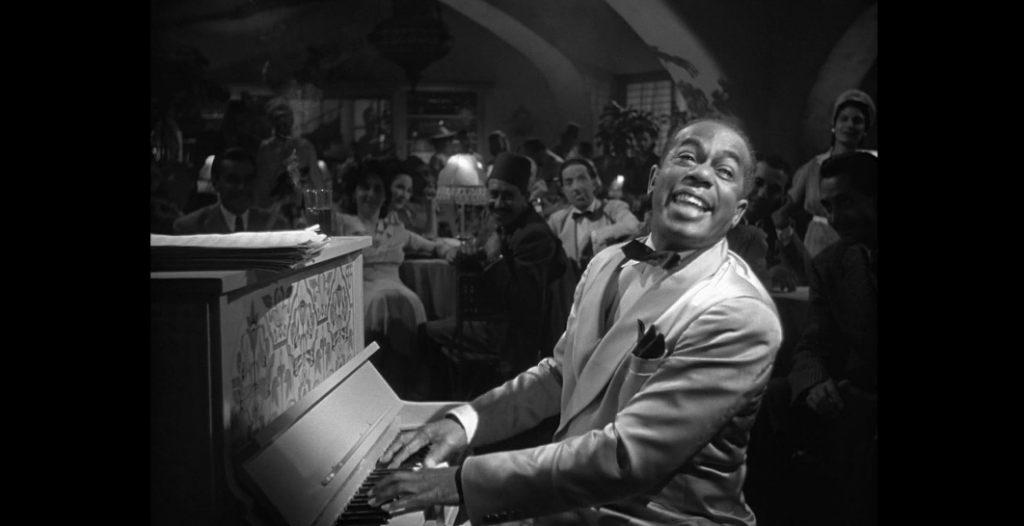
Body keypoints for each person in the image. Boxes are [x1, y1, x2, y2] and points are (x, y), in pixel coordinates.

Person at [370, 120, 782, 526]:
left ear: (738, 213)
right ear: (656, 178)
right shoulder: (608, 262)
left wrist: (463, 483)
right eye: (688, 157)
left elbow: (625, 457)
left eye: (724, 171)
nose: (701, 174)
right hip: (567, 506)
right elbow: (558, 375)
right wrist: (464, 425)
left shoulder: (739, 314)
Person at [785, 151, 877, 526]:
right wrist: (815, 382)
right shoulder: (832, 264)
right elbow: (813, 343)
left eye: (847, 202)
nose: (836, 218)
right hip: (848, 397)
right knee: (765, 404)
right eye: (829, 205)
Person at [423, 152, 572, 381]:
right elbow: (481, 250)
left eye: (508, 196)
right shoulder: (507, 224)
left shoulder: (533, 236)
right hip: (498, 324)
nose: (499, 204)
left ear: (524, 197)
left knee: (425, 333)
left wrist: (493, 257)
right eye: (494, 195)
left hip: (515, 336)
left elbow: (523, 305)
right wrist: (462, 253)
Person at [335, 163, 458, 400]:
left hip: (396, 287)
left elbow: (430, 244)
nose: (371, 194)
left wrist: (446, 251)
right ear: (354, 192)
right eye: (365, 187)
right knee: (385, 301)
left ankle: (405, 392)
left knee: (406, 300)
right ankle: (373, 393)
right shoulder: (342, 224)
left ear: (385, 196)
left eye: (377, 189)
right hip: (363, 288)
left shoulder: (394, 228)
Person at [774, 89, 876, 257]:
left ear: (865, 128)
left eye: (857, 121)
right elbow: (782, 213)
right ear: (834, 125)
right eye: (844, 119)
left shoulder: (870, 167)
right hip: (818, 246)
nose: (850, 125)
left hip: (860, 246)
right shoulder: (813, 167)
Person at [547, 158, 640, 280]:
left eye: (582, 179)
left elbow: (634, 226)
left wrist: (594, 237)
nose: (576, 187)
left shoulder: (613, 207)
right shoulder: (557, 220)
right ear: (563, 189)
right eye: (569, 182)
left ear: (594, 182)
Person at [727, 154, 811, 290]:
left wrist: (783, 226)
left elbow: (809, 275)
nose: (762, 194)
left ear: (783, 196)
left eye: (774, 190)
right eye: (758, 183)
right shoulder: (720, 219)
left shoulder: (776, 226)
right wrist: (764, 276)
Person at [173, 148, 290, 235]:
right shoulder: (189, 228)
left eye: (248, 180)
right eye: (233, 180)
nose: (242, 187)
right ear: (216, 184)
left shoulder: (277, 226)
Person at [254, 98, 324, 209]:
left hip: (300, 208)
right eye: (278, 118)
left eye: (286, 117)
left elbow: (316, 182)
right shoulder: (266, 149)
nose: (283, 122)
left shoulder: (305, 147)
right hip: (272, 210)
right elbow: (261, 186)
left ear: (291, 120)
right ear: (272, 122)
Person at [388, 166, 438, 240]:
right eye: (400, 187)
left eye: (409, 191)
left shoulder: (402, 214)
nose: (404, 195)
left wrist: (430, 205)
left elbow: (428, 237)